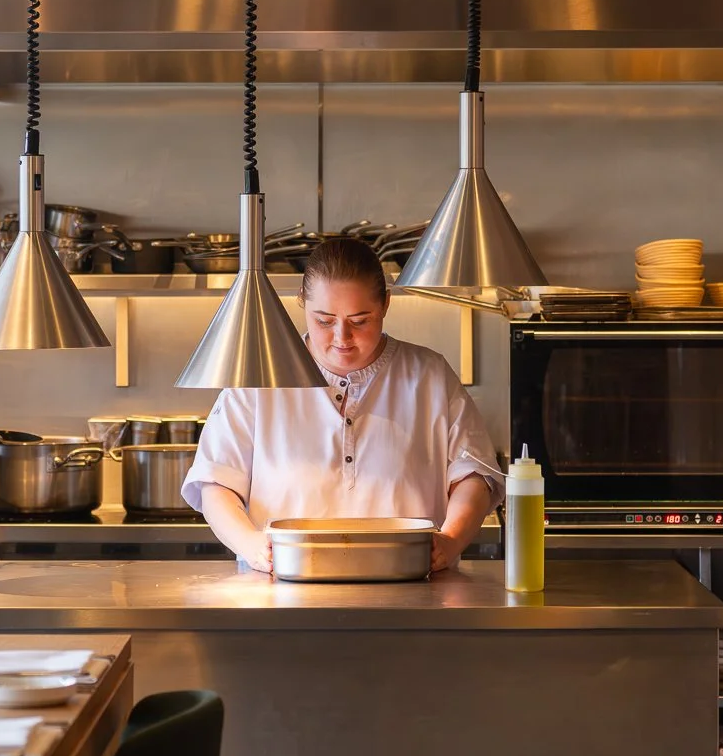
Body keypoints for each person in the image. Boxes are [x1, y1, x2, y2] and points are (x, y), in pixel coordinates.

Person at [183, 235, 502, 574]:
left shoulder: (430, 376)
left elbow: (474, 476)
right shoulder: (261, 379)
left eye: (360, 320)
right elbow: (215, 484)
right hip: (280, 593)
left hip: (412, 590)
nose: (341, 338)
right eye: (324, 320)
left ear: (386, 305)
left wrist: (451, 539)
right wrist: (251, 545)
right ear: (302, 303)